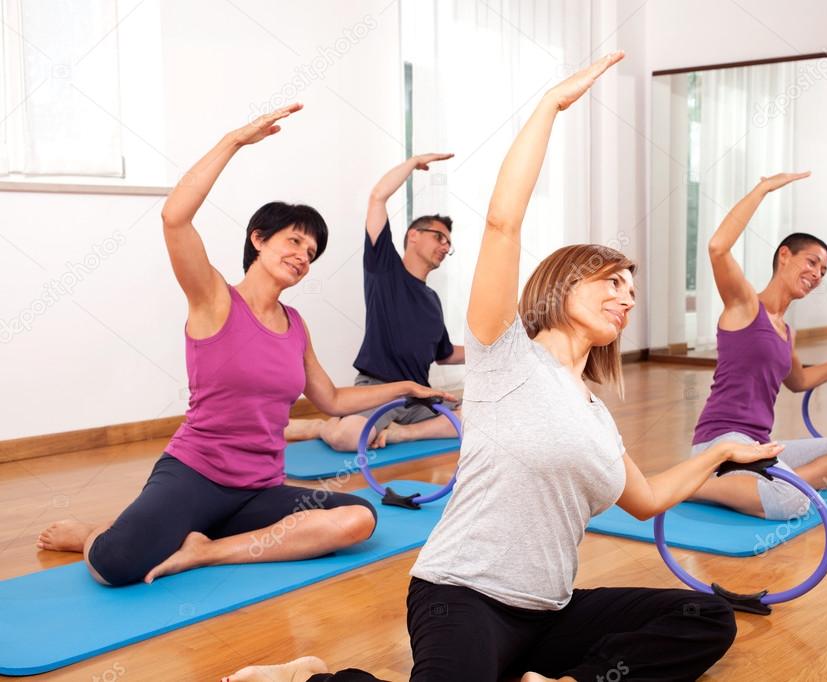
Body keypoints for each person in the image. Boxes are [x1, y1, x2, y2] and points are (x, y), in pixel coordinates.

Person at [223, 52, 773, 682]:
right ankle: (314, 677)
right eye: (611, 281)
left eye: (631, 289)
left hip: (550, 612)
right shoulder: (505, 355)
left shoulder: (596, 415)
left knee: (706, 618)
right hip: (462, 596)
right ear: (562, 285)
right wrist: (549, 108)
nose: (626, 296)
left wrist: (721, 452)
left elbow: (646, 500)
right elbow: (503, 222)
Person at [36, 104, 452, 587]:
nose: (302, 257)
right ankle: (98, 531)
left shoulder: (295, 324)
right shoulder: (214, 299)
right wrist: (235, 140)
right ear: (258, 239)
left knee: (358, 519)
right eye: (294, 242)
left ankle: (207, 550)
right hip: (194, 475)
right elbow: (175, 218)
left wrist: (405, 387)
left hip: (258, 489)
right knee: (114, 565)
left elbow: (332, 401)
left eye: (311, 253)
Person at [687, 173, 827, 521]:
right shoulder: (745, 305)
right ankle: (693, 481)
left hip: (760, 445)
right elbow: (718, 247)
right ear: (784, 256)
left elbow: (799, 382)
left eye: (823, 270)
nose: (817, 274)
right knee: (792, 503)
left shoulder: (786, 331)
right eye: (811, 262)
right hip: (721, 441)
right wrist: (762, 189)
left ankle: (781, 482)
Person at [286, 154, 463, 451]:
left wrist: (490, 351)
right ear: (414, 236)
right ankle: (321, 426)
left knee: (476, 420)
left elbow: (443, 354)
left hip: (418, 396)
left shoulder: (432, 300)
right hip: (377, 390)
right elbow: (378, 197)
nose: (445, 246)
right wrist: (413, 162)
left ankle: (400, 434)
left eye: (449, 243)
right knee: (353, 438)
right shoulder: (385, 270)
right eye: (439, 237)